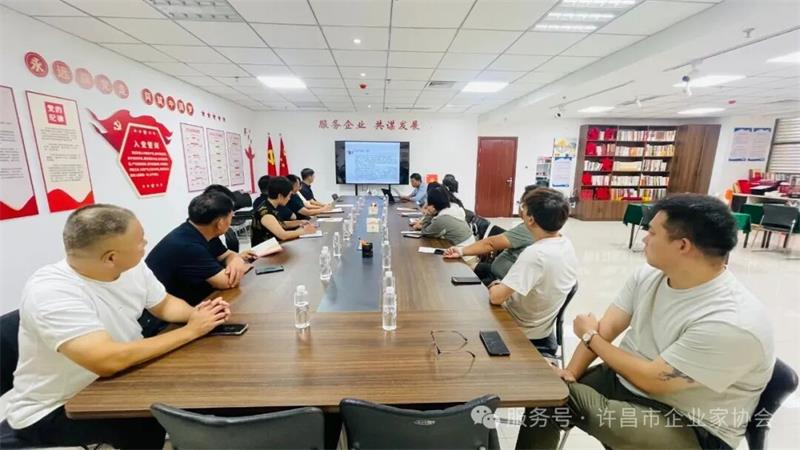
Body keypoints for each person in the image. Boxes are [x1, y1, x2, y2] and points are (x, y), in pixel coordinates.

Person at [516, 194, 774, 450]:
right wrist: (570, 372)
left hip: (689, 421)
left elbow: (653, 380)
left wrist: (589, 336)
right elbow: (607, 328)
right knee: (548, 389)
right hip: (628, 380)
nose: (644, 239)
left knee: (556, 395)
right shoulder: (649, 276)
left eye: (651, 232)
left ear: (682, 246)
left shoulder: (732, 321)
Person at [0, 204, 231, 449]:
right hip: (56, 408)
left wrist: (199, 315)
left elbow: (164, 305)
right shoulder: (51, 292)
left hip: (118, 377)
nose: (145, 244)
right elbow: (107, 360)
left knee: (201, 383)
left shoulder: (132, 267)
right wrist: (190, 331)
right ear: (111, 257)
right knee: (147, 420)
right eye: (140, 241)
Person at [487, 188, 577, 354]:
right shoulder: (566, 244)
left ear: (530, 219)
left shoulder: (536, 254)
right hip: (543, 323)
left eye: (523, 208)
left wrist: (495, 285)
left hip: (523, 327)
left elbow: (496, 298)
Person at [145, 191, 252, 309]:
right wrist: (237, 262)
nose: (232, 220)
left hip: (193, 298)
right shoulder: (188, 246)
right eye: (231, 216)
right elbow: (227, 282)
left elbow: (227, 255)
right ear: (220, 223)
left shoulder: (202, 231)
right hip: (167, 312)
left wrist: (236, 260)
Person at [443, 186, 537, 285]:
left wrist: (461, 251)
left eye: (520, 204)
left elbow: (490, 244)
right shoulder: (528, 227)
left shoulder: (528, 229)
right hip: (495, 271)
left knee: (457, 282)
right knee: (460, 271)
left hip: (502, 281)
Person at [414, 187, 477, 265]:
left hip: (466, 259)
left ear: (433, 205)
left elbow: (425, 232)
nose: (427, 206)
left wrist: (428, 214)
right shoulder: (452, 208)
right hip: (470, 251)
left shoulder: (442, 218)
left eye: (428, 203)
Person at [251, 176, 317, 246]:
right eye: (289, 195)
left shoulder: (270, 205)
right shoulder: (266, 213)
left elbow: (281, 224)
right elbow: (283, 235)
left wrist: (300, 222)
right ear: (280, 196)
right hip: (264, 250)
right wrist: (304, 231)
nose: (289, 198)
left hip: (273, 246)